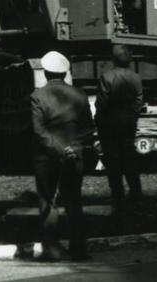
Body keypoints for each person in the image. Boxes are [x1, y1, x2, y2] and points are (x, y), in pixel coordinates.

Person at [30, 50, 94, 262]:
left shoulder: (37, 96)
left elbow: (39, 131)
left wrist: (58, 149)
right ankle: (79, 250)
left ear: (46, 73)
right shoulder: (80, 95)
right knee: (74, 200)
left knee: (48, 200)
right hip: (74, 155)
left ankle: (52, 250)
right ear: (65, 73)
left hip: (48, 157)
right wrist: (72, 148)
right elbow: (88, 128)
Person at [95, 45, 143, 214]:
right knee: (129, 157)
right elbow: (139, 100)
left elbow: (102, 102)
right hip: (128, 123)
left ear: (113, 59)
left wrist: (99, 119)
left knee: (113, 160)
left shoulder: (106, 76)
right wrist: (132, 116)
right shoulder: (136, 77)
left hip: (110, 124)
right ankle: (136, 193)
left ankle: (118, 195)